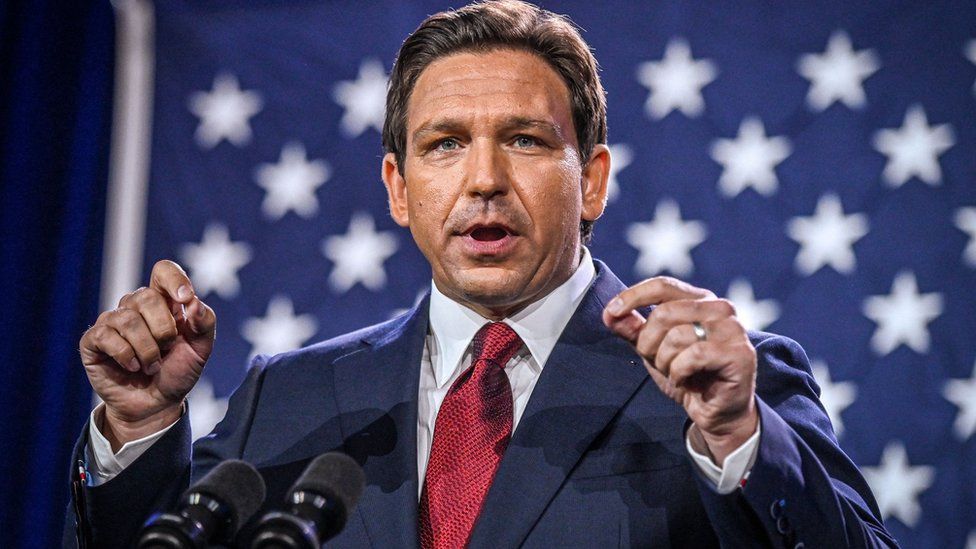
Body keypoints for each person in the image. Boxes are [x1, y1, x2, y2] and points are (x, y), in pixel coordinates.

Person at [67, 1, 897, 547]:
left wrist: (735, 435)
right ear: (398, 187)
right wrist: (138, 428)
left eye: (528, 140)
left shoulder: (721, 387)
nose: (485, 179)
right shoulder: (288, 396)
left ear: (594, 179)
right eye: (445, 143)